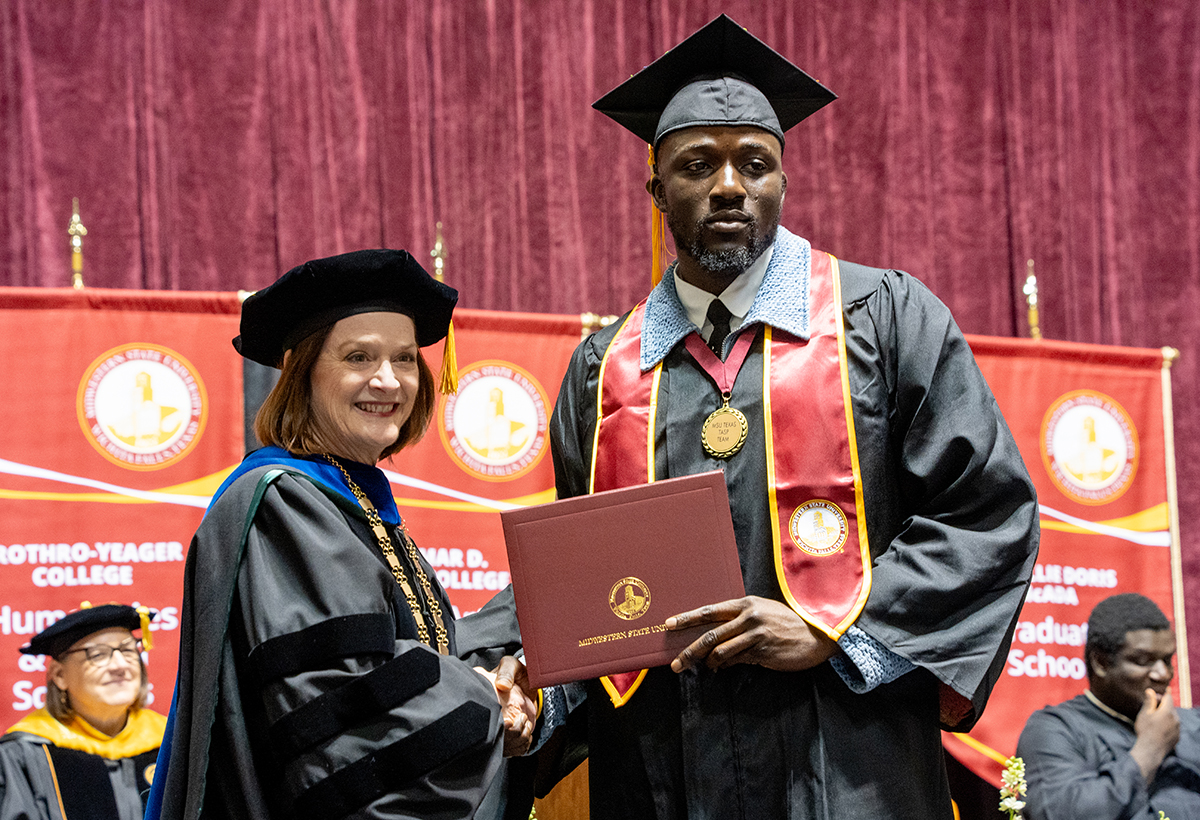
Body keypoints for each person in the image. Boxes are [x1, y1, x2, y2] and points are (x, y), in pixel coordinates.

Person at [547, 14, 1040, 819]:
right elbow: (578, 568)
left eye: (756, 163)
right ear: (657, 189)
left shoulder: (883, 318)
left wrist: (836, 631)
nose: (731, 185)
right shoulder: (605, 370)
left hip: (848, 756)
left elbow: (984, 510)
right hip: (663, 759)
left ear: (784, 179)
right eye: (698, 164)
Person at [145, 249, 536, 820]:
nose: (388, 380)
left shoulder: (357, 503)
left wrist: (526, 634)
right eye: (359, 357)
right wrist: (486, 699)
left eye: (404, 359)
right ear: (305, 374)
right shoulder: (286, 503)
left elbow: (422, 656)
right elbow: (343, 704)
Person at [1016, 593, 1200, 819]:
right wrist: (1150, 749)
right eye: (1144, 661)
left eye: (1167, 660)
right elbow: (1061, 814)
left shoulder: (1192, 724)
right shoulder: (1055, 729)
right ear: (1101, 663)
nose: (1163, 674)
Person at [0, 603, 167, 820]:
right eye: (97, 654)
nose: (119, 665)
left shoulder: (170, 743)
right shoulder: (23, 755)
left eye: (128, 650)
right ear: (59, 675)